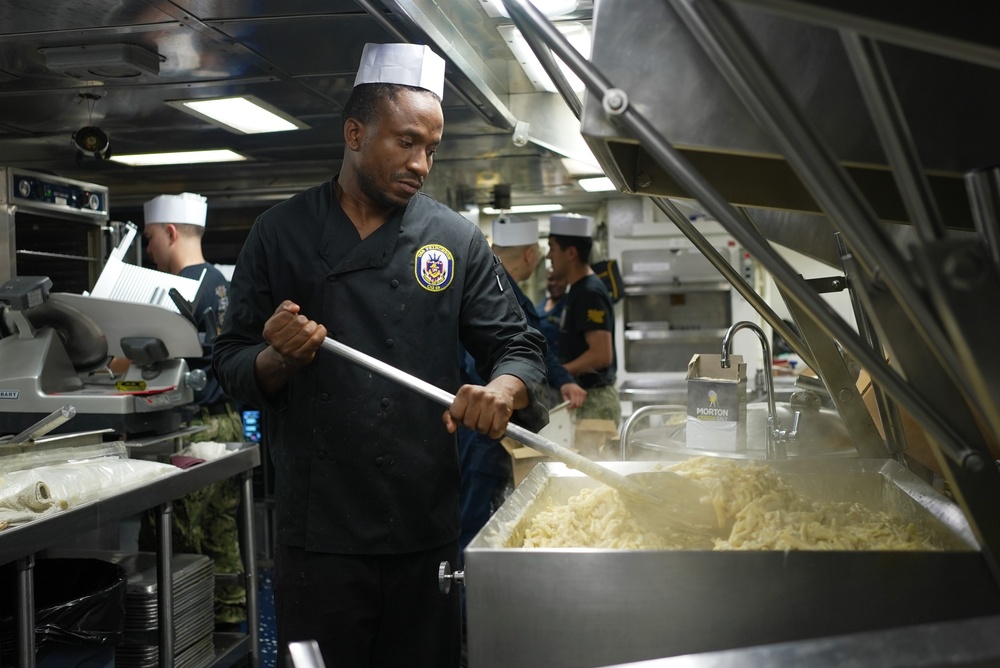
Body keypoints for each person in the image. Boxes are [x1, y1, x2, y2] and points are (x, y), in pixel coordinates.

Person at [211, 42, 548, 668]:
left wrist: (504, 390)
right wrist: (279, 358)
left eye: (432, 149)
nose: (422, 163)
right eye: (406, 142)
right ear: (355, 132)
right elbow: (230, 363)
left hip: (425, 529)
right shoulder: (279, 233)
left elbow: (519, 346)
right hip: (318, 535)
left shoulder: (454, 239)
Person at [138, 192, 246, 629]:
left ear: (169, 232)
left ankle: (188, 629)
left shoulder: (175, 291)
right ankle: (232, 615)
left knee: (178, 534)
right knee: (221, 528)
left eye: (149, 239)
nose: (148, 251)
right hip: (230, 422)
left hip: (193, 430)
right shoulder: (225, 285)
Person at [458, 216, 586, 553]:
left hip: (490, 428)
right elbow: (488, 365)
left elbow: (533, 345)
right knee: (477, 526)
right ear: (530, 256)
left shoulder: (512, 296)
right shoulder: (496, 294)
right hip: (484, 429)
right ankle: (470, 596)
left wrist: (564, 380)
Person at [546, 213, 621, 433]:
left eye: (552, 247)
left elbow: (601, 354)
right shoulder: (577, 290)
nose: (549, 255)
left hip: (595, 401)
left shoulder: (589, 292)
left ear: (570, 253)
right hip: (583, 398)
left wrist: (558, 373)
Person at [535, 266, 568, 402]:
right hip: (541, 376)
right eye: (550, 279)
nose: (554, 283)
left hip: (561, 376)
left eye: (559, 279)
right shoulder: (540, 306)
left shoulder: (569, 306)